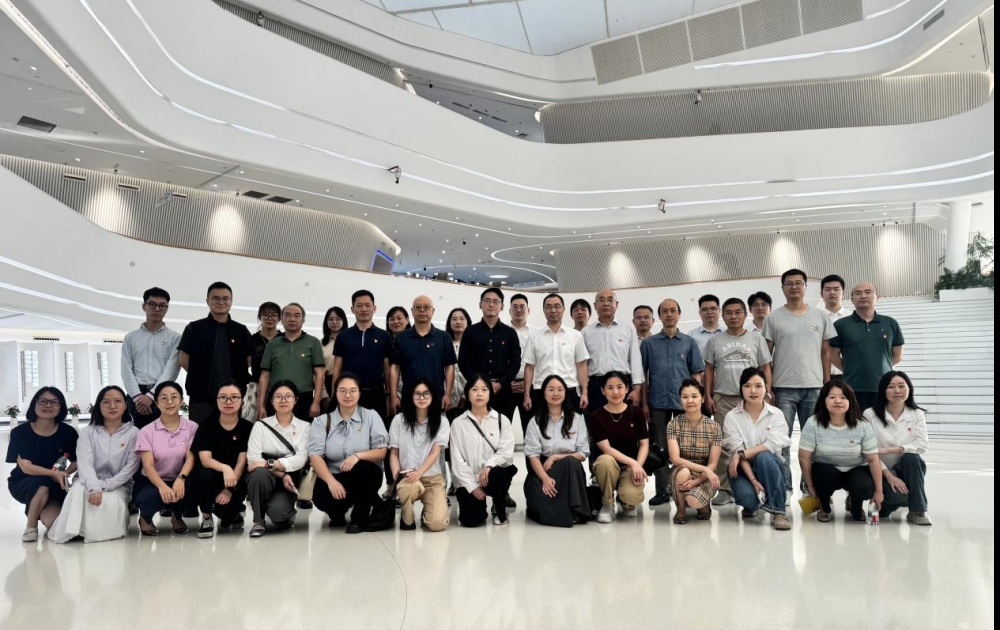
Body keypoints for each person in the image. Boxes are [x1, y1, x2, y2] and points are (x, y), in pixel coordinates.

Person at [763, 269, 835, 501]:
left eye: (798, 283)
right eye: (789, 283)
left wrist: (827, 385)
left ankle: (809, 488)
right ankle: (784, 488)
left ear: (805, 286)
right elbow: (766, 356)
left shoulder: (820, 316)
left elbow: (826, 353)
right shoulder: (773, 318)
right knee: (781, 441)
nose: (794, 287)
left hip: (814, 387)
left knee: (812, 441)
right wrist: (768, 388)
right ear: (782, 288)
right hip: (783, 388)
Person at [703, 297, 773, 505]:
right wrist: (708, 395)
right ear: (723, 316)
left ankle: (757, 484)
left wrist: (767, 392)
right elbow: (709, 370)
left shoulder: (756, 339)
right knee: (723, 444)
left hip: (752, 399)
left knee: (754, 441)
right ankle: (725, 489)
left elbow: (765, 367)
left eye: (738, 312)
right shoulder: (715, 341)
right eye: (729, 313)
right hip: (723, 398)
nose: (733, 316)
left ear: (745, 314)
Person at [48, 386, 140, 543]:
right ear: (99, 406)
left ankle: (96, 534)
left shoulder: (134, 433)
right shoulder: (88, 432)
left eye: (118, 401)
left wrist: (105, 486)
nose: (112, 406)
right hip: (87, 480)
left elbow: (130, 468)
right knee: (77, 491)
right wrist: (94, 487)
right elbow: (84, 464)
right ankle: (73, 531)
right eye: (106, 402)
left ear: (125, 405)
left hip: (119, 484)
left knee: (112, 501)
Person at [640, 298, 704, 506]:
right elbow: (642, 377)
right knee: (660, 448)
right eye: (665, 311)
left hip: (684, 404)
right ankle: (662, 491)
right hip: (657, 403)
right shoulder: (648, 344)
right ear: (659, 316)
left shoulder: (689, 342)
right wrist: (644, 404)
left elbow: (696, 374)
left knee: (686, 447)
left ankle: (687, 488)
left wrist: (696, 402)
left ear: (679, 314)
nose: (669, 314)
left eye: (673, 311)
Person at [309, 373, 389, 534]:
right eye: (342, 390)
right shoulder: (322, 421)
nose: (347, 395)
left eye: (352, 390)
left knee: (361, 470)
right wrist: (331, 482)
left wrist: (357, 456)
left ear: (359, 393)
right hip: (336, 474)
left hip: (365, 474)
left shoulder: (371, 416)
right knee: (320, 494)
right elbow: (315, 455)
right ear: (335, 393)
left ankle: (359, 518)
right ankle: (337, 513)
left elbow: (381, 451)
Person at [798, 380, 883, 522]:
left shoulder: (863, 425)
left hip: (856, 469)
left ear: (851, 400)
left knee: (863, 487)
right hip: (825, 470)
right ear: (823, 400)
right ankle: (824, 506)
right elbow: (804, 457)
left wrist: (879, 491)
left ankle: (855, 504)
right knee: (823, 474)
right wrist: (810, 485)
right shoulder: (813, 423)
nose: (838, 401)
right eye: (832, 397)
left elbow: (873, 459)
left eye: (843, 397)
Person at [334, 290, 395, 485]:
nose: (364, 309)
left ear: (374, 308)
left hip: (376, 394)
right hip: (349, 397)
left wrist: (390, 396)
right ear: (352, 309)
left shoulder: (384, 336)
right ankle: (346, 480)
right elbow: (337, 368)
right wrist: (337, 394)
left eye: (368, 305)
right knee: (349, 437)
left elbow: (387, 369)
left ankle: (389, 484)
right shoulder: (343, 336)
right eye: (359, 305)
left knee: (380, 439)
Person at [6, 388, 78, 543]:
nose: (48, 405)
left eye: (54, 402)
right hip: (25, 481)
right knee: (41, 486)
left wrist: (65, 473)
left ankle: (42, 510)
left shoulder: (68, 433)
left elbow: (77, 461)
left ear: (60, 407)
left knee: (55, 524)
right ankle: (31, 527)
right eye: (43, 401)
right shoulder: (20, 433)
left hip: (56, 483)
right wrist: (54, 474)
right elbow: (26, 467)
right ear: (35, 404)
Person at [723, 369, 791, 531]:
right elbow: (737, 452)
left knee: (764, 456)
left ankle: (778, 511)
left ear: (766, 388)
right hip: (742, 468)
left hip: (770, 466)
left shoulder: (776, 414)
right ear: (741, 388)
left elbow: (771, 445)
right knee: (749, 500)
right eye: (747, 386)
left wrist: (742, 454)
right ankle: (753, 504)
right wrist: (753, 480)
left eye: (758, 386)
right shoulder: (732, 417)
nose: (753, 391)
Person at [178, 281, 253, 423]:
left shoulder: (241, 330)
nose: (221, 302)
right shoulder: (194, 328)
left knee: (231, 435)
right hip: (201, 397)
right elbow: (183, 359)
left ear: (231, 302)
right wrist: (201, 375)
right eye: (216, 298)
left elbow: (249, 359)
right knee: (201, 434)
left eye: (225, 298)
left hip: (233, 397)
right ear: (207, 301)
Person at [245, 381, 311, 538]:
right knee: (258, 474)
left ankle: (278, 510)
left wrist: (271, 463)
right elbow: (253, 462)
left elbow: (301, 459)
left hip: (290, 479)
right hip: (266, 476)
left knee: (278, 514)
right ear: (271, 400)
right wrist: (282, 473)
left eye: (288, 396)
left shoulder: (305, 427)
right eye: (278, 396)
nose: (283, 400)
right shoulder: (260, 426)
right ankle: (258, 521)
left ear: (295, 399)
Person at [524, 375, 591, 527]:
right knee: (540, 507)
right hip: (543, 471)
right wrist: (545, 479)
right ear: (543, 393)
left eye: (560, 389)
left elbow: (583, 453)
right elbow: (533, 456)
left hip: (570, 471)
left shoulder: (577, 419)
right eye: (551, 389)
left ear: (566, 393)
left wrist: (555, 457)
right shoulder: (535, 422)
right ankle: (567, 509)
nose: (556, 393)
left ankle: (574, 510)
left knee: (570, 462)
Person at [450, 374, 517, 527]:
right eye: (474, 389)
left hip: (492, 476)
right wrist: (472, 486)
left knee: (499, 474)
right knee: (471, 520)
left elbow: (506, 452)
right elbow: (456, 460)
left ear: (490, 393)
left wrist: (489, 466)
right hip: (468, 480)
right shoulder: (458, 424)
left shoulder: (501, 420)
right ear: (467, 394)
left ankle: (499, 506)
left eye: (484, 389)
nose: (479, 394)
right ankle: (479, 506)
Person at [865, 371, 931, 525]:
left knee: (912, 458)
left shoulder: (917, 414)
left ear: (909, 389)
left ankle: (918, 511)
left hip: (906, 469)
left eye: (902, 386)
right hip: (878, 470)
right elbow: (868, 452)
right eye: (891, 387)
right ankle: (894, 501)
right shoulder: (870, 414)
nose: (897, 391)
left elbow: (922, 445)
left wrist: (889, 450)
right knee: (894, 501)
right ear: (883, 390)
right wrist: (889, 476)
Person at [133, 382, 198, 536]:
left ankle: (177, 517)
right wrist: (162, 487)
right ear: (156, 403)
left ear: (181, 400)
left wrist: (181, 479)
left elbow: (191, 458)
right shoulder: (146, 431)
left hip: (180, 477)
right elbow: (148, 465)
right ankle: (145, 518)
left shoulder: (192, 427)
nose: (169, 402)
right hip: (152, 481)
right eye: (164, 398)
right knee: (152, 496)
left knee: (192, 488)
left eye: (174, 397)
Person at [389, 378, 451, 531]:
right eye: (417, 394)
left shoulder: (442, 421)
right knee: (406, 488)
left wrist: (420, 472)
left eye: (426, 394)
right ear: (410, 396)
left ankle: (427, 513)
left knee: (437, 524)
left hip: (432, 478)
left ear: (433, 396)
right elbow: (394, 453)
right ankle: (407, 517)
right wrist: (397, 476)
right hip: (408, 476)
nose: (421, 398)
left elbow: (435, 452)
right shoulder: (398, 420)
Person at [831, 283, 904, 412]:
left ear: (877, 296)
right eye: (858, 293)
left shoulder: (890, 323)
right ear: (852, 299)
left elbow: (897, 356)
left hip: (883, 388)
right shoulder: (840, 325)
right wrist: (851, 369)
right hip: (851, 388)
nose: (863, 296)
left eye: (868, 292)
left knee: (882, 423)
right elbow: (833, 355)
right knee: (854, 423)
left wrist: (880, 367)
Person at [193, 380, 253, 538]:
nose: (228, 401)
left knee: (226, 514)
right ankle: (206, 518)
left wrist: (229, 489)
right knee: (205, 474)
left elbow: (242, 461)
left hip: (236, 479)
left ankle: (233, 513)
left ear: (242, 401)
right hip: (213, 476)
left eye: (234, 397)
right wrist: (225, 468)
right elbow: (205, 460)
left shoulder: (247, 428)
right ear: (217, 400)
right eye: (223, 397)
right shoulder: (206, 426)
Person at [590, 372, 649, 523]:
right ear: (603, 391)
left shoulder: (636, 412)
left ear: (626, 389)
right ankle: (607, 503)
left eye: (619, 387)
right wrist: (633, 462)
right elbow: (606, 449)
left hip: (630, 467)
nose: (615, 392)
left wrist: (637, 466)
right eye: (610, 388)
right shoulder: (596, 416)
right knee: (605, 460)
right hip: (609, 465)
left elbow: (644, 443)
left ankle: (624, 500)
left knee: (631, 498)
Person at [459, 288, 521, 423]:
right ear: (480, 304)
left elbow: (515, 363)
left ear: (502, 306)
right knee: (475, 427)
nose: (491, 304)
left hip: (503, 391)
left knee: (502, 427)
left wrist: (500, 384)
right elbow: (463, 362)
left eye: (496, 301)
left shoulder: (510, 333)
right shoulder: (470, 332)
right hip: (476, 391)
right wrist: (478, 384)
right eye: (487, 301)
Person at [121, 287, 180, 429]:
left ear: (166, 309)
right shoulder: (131, 337)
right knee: (136, 436)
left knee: (165, 434)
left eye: (162, 306)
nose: (157, 309)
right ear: (144, 306)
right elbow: (126, 369)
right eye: (152, 304)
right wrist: (137, 397)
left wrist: (151, 396)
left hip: (164, 393)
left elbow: (171, 369)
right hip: (136, 395)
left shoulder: (175, 338)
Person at [258, 303, 325, 423]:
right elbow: (264, 376)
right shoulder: (272, 344)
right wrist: (261, 405)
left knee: (303, 433)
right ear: (282, 319)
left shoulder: (313, 342)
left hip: (303, 399)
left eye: (297, 315)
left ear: (303, 320)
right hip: (276, 399)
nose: (292, 319)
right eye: (288, 315)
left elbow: (319, 374)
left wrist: (316, 402)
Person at [523, 293, 590, 414]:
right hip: (541, 391)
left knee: (571, 425)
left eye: (557, 306)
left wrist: (584, 393)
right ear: (544, 310)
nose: (553, 310)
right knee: (542, 425)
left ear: (563, 309)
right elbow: (529, 367)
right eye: (548, 307)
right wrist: (527, 395)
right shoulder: (534, 336)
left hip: (569, 390)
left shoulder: (575, 335)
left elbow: (582, 365)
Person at [390, 295, 457, 415]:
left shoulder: (443, 337)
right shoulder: (402, 338)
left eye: (426, 307)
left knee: (436, 426)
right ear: (412, 311)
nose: (422, 310)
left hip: (437, 398)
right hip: (409, 398)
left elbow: (449, 367)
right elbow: (395, 368)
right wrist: (393, 396)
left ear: (433, 311)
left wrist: (447, 394)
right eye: (418, 307)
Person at [667, 380, 723, 524]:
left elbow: (712, 464)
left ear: (703, 398)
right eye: (685, 397)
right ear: (680, 399)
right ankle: (680, 510)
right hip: (682, 472)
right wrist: (705, 469)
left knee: (694, 501)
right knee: (682, 471)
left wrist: (698, 480)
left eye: (694, 396)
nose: (690, 401)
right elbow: (675, 459)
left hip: (705, 475)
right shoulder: (673, 424)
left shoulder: (714, 427)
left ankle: (702, 504)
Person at [581, 289, 643, 412]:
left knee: (625, 422)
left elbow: (635, 360)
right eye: (602, 300)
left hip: (623, 384)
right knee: (597, 421)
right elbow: (583, 365)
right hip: (596, 387)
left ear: (617, 304)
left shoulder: (628, 329)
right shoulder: (586, 332)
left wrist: (637, 389)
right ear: (595, 305)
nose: (606, 303)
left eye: (610, 300)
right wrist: (584, 392)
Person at [247, 302, 281, 421]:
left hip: (279, 386)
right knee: (251, 420)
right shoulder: (252, 339)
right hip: (256, 387)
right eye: (265, 314)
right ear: (260, 317)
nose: (269, 318)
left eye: (274, 315)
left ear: (279, 318)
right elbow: (245, 364)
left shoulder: (284, 339)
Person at [508, 293, 534, 434]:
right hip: (507, 387)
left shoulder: (536, 333)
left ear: (528, 310)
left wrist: (528, 383)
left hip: (531, 387)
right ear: (509, 310)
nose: (519, 310)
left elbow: (540, 361)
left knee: (531, 430)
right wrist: (507, 382)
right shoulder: (503, 331)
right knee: (502, 429)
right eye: (515, 307)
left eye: (522, 307)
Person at [820, 274, 851, 376]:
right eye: (827, 289)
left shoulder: (853, 318)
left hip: (848, 374)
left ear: (843, 293)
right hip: (820, 374)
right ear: (821, 293)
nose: (832, 292)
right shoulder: (814, 317)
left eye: (836, 289)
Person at [448, 306, 474, 416]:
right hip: (446, 398)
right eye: (454, 319)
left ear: (468, 322)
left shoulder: (474, 345)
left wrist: (465, 396)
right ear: (449, 322)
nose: (458, 322)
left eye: (462, 319)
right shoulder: (444, 343)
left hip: (469, 396)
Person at [321, 306, 348, 400]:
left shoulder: (350, 341)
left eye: (338, 319)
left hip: (347, 381)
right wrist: (324, 394)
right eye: (331, 319)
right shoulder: (321, 344)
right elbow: (317, 372)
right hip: (327, 382)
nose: (334, 322)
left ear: (344, 321)